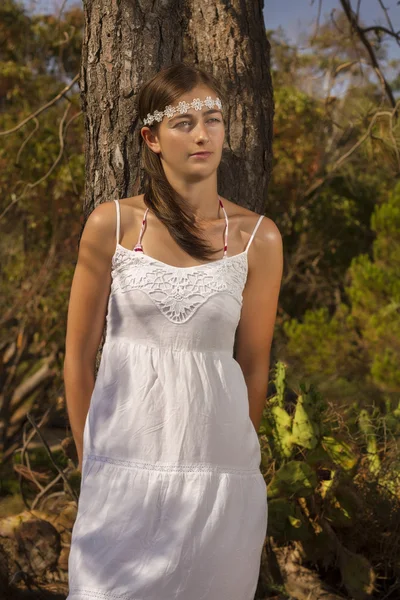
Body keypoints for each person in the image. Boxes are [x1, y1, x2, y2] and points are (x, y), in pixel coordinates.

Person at [63, 62, 283, 600]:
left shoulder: (259, 238)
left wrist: (231, 461)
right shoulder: (110, 225)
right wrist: (91, 459)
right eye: (182, 122)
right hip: (120, 472)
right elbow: (76, 357)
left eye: (212, 118)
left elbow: (254, 364)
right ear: (151, 138)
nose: (203, 133)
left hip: (218, 479)